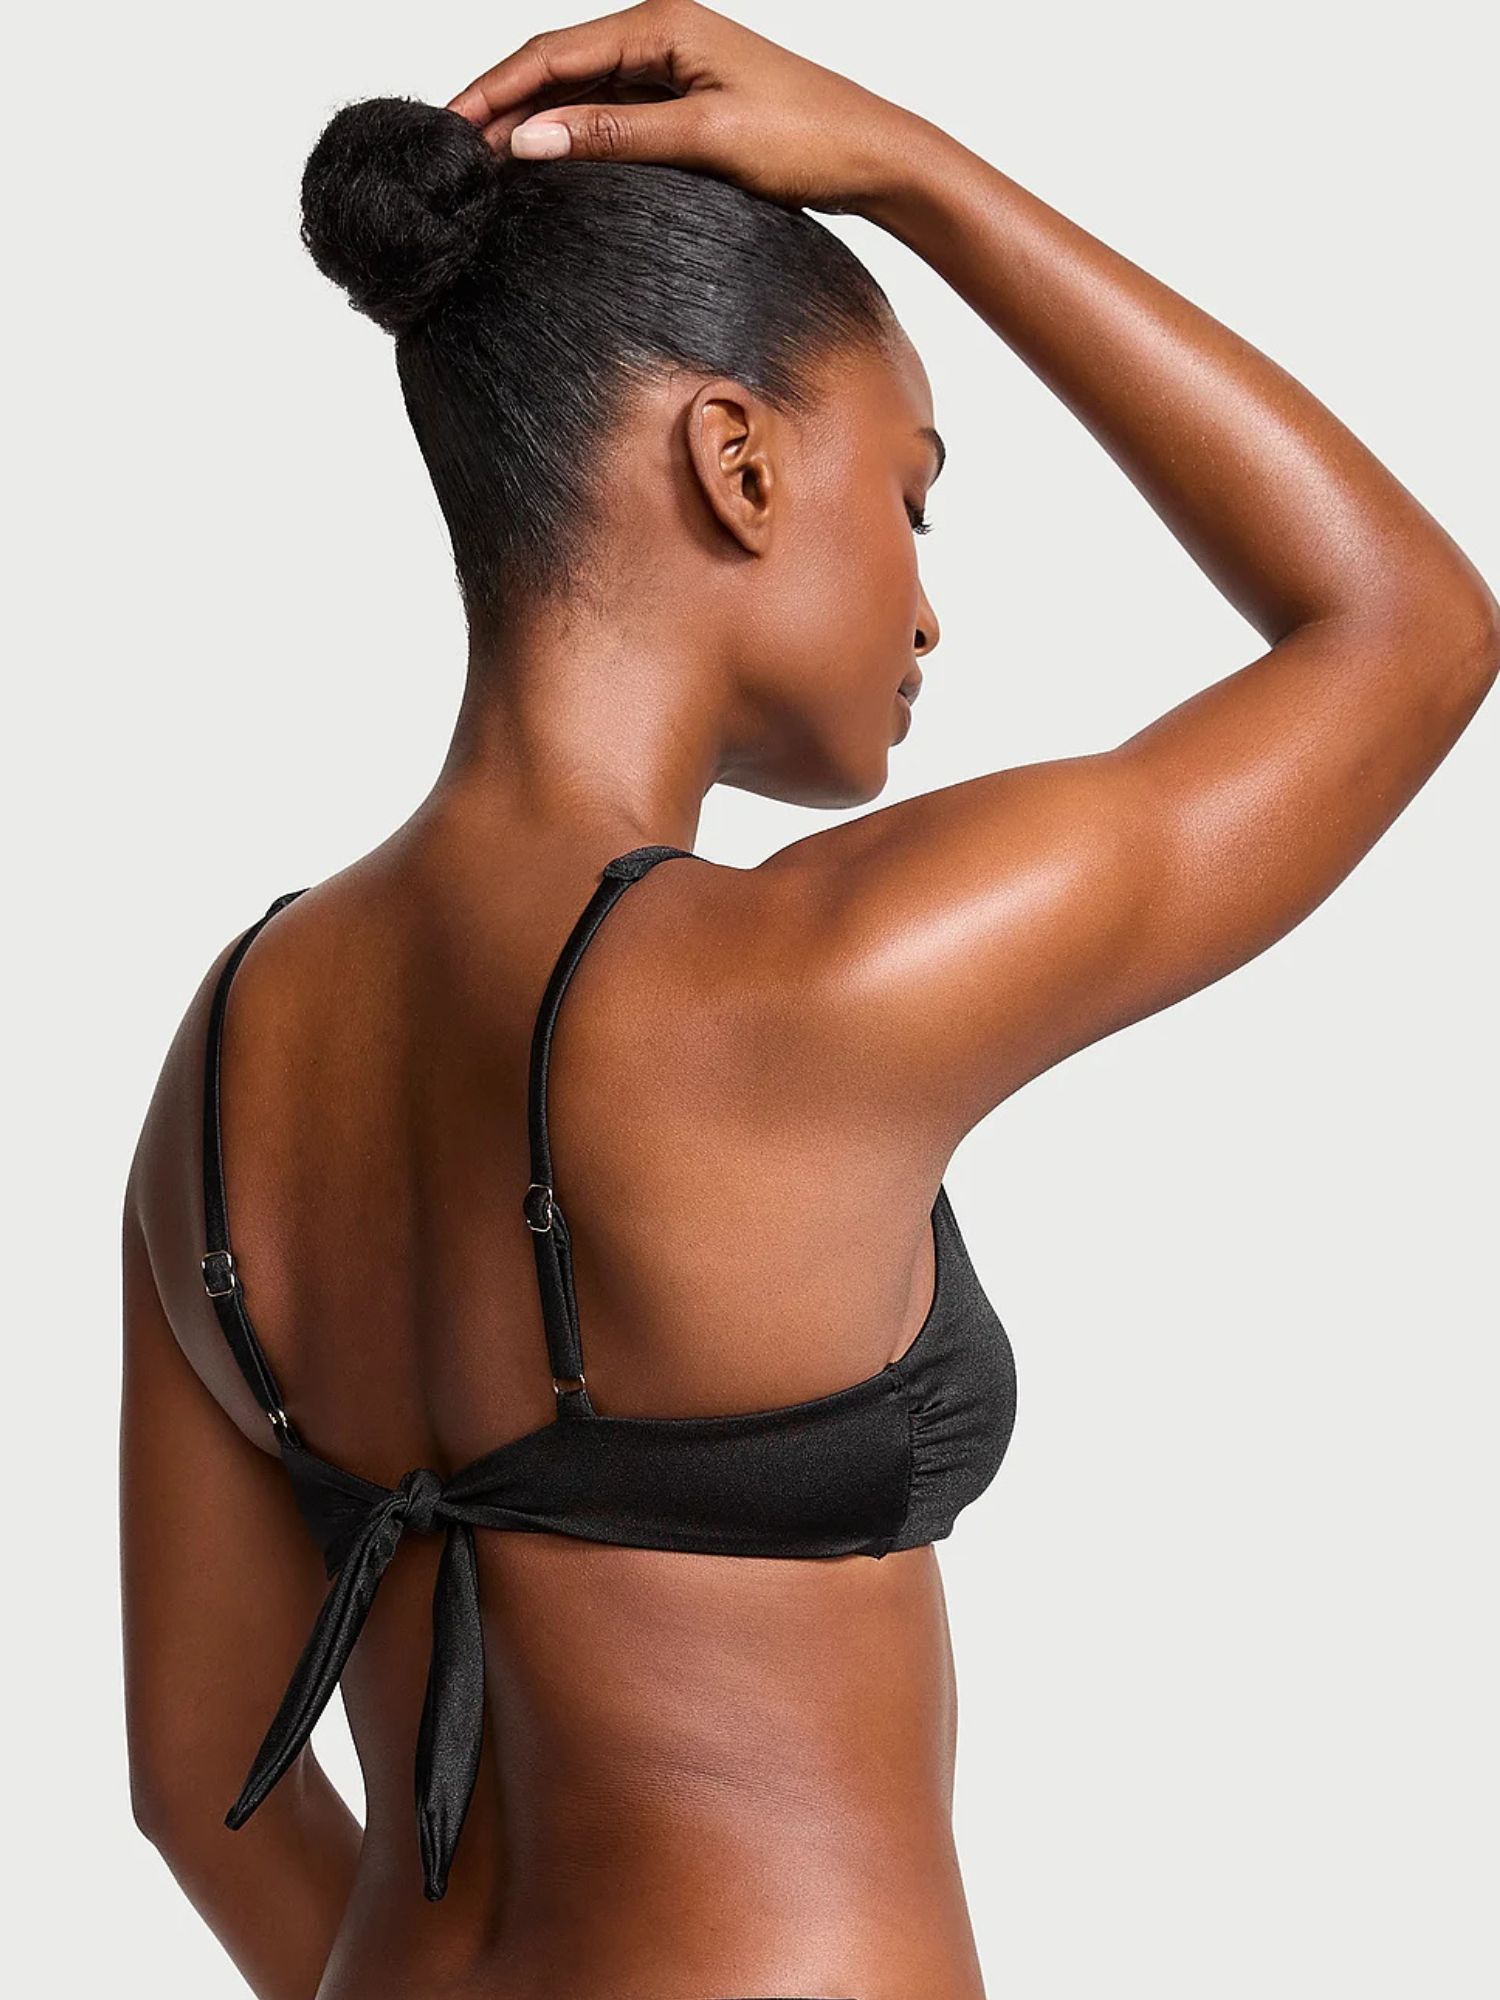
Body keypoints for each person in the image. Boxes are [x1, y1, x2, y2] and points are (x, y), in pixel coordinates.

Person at [119, 6, 1497, 1998]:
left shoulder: (226, 1053)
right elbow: (1411, 629)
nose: (928, 603)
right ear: (738, 462)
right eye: (914, 499)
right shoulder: (803, 981)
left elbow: (197, 1785)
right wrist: (913, 171)